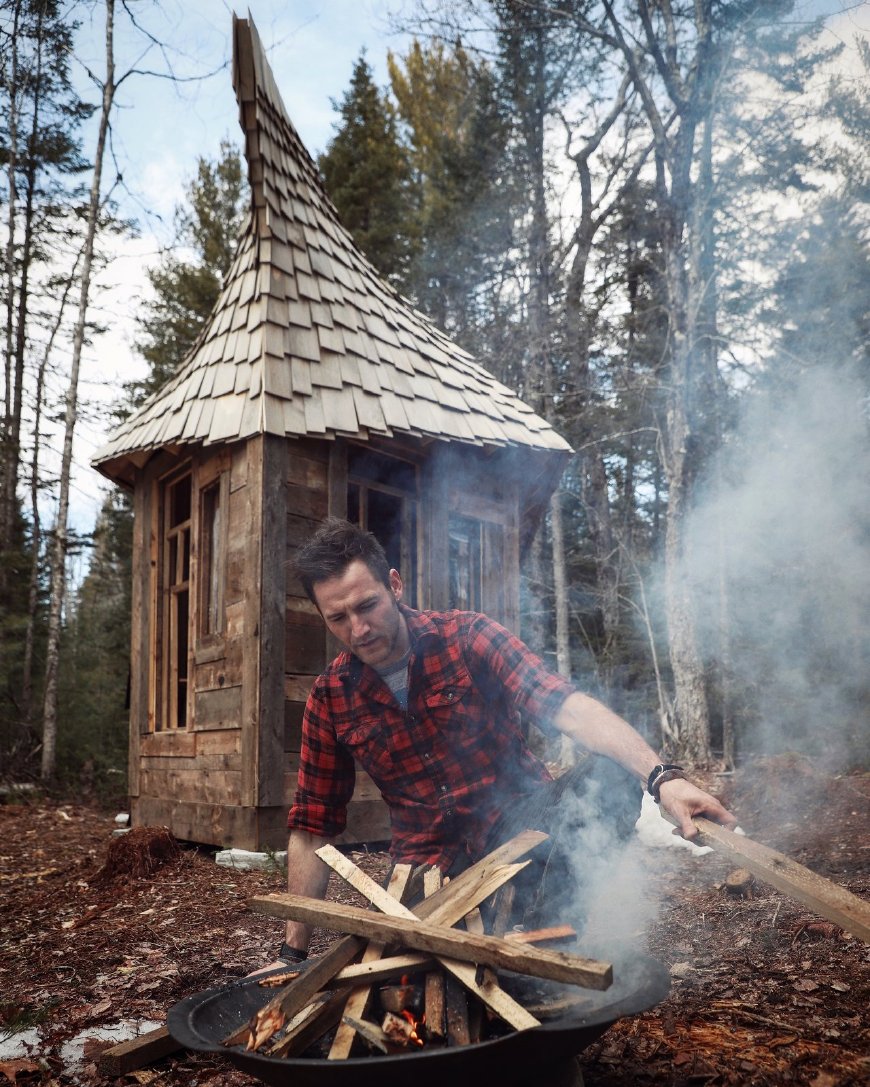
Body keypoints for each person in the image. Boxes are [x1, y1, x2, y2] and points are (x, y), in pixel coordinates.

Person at [261, 518, 736, 971]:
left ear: (394, 585)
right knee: (407, 974)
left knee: (607, 776)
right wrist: (291, 954)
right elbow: (312, 827)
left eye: (367, 606)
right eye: (338, 618)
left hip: (521, 830)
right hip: (427, 865)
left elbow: (564, 705)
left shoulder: (467, 637)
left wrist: (663, 778)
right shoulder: (330, 697)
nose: (358, 629)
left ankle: (556, 926)